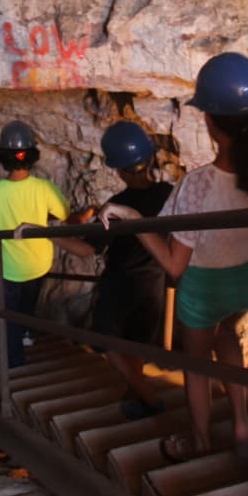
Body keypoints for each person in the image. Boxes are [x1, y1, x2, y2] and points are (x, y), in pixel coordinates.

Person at [101, 53, 248, 464]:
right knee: (227, 335)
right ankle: (243, 426)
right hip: (247, 278)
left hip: (205, 287)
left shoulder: (197, 187)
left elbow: (176, 266)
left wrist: (137, 221)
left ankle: (200, 439)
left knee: (196, 360)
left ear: (209, 121)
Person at [55, 121, 175, 420]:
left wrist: (50, 233)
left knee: (106, 340)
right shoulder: (168, 193)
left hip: (120, 284)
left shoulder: (117, 205)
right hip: (155, 282)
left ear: (118, 170)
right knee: (134, 344)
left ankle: (148, 396)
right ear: (149, 159)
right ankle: (135, 396)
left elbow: (86, 249)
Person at [0, 120, 71, 368]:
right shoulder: (44, 188)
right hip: (40, 262)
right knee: (27, 307)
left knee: (8, 315)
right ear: (32, 155)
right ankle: (26, 334)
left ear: (2, 157)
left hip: (11, 267)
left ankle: (15, 362)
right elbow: (64, 213)